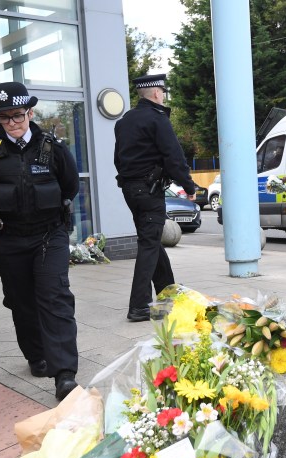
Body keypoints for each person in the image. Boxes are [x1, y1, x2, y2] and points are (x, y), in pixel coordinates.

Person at [0, 82, 81, 401]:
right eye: (4, 118)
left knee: (54, 296)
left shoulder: (53, 148)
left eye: (18, 115)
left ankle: (64, 374)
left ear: (30, 112)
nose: (12, 123)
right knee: (21, 300)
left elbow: (69, 186)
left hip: (49, 235)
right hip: (8, 238)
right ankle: (36, 355)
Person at [114, 74, 199, 322]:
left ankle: (168, 293)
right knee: (149, 244)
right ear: (155, 93)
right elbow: (174, 156)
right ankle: (138, 306)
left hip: (131, 190)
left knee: (151, 239)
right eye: (162, 91)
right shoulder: (157, 118)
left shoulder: (124, 121)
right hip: (149, 190)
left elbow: (118, 159)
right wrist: (188, 186)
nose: (163, 95)